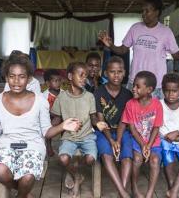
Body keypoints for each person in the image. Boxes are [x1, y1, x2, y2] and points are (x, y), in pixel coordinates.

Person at [0, 55, 81, 198]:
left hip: (32, 145)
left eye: (21, 77)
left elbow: (47, 132)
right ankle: (23, 194)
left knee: (28, 176)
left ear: (29, 78)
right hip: (7, 145)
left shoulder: (40, 101)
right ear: (6, 77)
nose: (16, 81)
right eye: (12, 76)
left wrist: (62, 126)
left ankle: (21, 196)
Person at [97, 0, 179, 98]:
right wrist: (110, 45)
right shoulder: (135, 28)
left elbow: (177, 55)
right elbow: (122, 49)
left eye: (147, 11)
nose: (143, 14)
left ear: (157, 12)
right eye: (142, 11)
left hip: (156, 85)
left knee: (153, 118)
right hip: (135, 82)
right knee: (133, 116)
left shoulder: (165, 32)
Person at [51, 62, 98, 197]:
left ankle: (74, 171)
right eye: (81, 75)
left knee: (90, 159)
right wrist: (48, 129)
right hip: (69, 138)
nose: (85, 79)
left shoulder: (89, 96)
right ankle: (76, 176)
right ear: (70, 76)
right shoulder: (61, 97)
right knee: (64, 159)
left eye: (86, 76)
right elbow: (57, 119)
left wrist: (98, 124)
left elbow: (93, 118)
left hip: (87, 136)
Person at [92, 56, 133, 198]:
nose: (116, 75)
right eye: (112, 72)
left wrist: (119, 140)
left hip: (123, 132)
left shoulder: (128, 95)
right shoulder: (98, 93)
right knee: (106, 156)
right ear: (105, 73)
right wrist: (112, 141)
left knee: (127, 158)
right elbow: (101, 121)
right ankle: (123, 193)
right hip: (104, 133)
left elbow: (124, 121)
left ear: (125, 73)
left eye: (119, 71)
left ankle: (122, 192)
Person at [121, 71, 163, 198]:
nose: (133, 88)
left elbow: (156, 127)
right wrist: (142, 145)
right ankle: (134, 188)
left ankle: (149, 194)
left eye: (138, 86)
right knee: (137, 160)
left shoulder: (157, 104)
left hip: (152, 141)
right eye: (134, 85)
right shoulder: (130, 104)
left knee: (155, 160)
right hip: (137, 140)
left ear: (149, 89)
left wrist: (148, 145)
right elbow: (132, 129)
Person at [42, 69, 63, 157]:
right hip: (49, 118)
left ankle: (64, 145)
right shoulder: (44, 96)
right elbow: (44, 112)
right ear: (48, 83)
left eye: (59, 80)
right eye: (55, 81)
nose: (58, 83)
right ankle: (49, 145)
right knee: (48, 127)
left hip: (62, 117)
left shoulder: (64, 93)